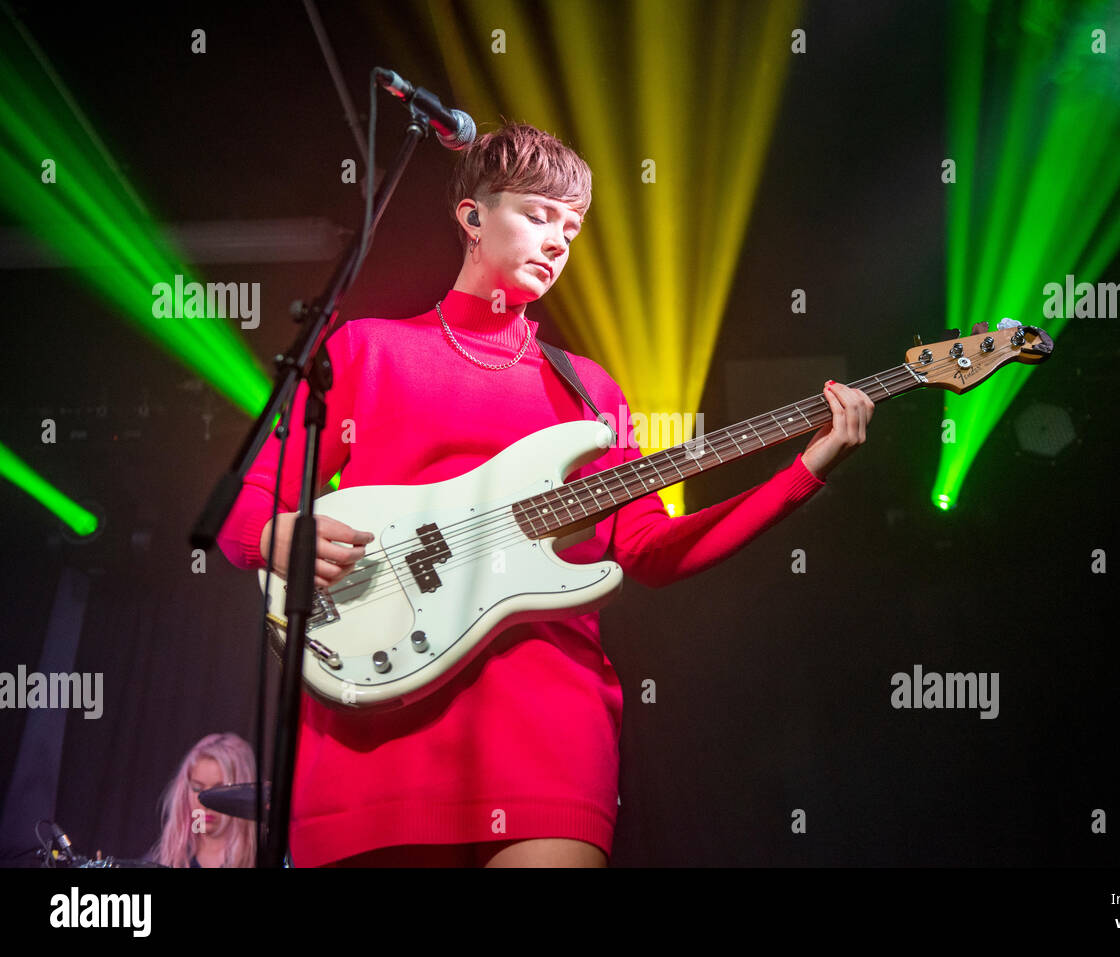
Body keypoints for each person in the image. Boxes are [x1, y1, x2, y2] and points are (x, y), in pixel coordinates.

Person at [216, 122, 874, 867]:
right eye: (538, 214)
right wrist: (278, 535)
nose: (560, 241)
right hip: (378, 699)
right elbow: (248, 496)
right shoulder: (366, 349)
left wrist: (801, 473)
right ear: (472, 217)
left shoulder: (589, 390)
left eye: (572, 226)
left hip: (544, 716)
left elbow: (649, 551)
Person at [148, 732, 257, 868]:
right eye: (197, 788)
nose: (206, 803)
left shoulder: (264, 857)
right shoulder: (165, 859)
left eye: (218, 791)